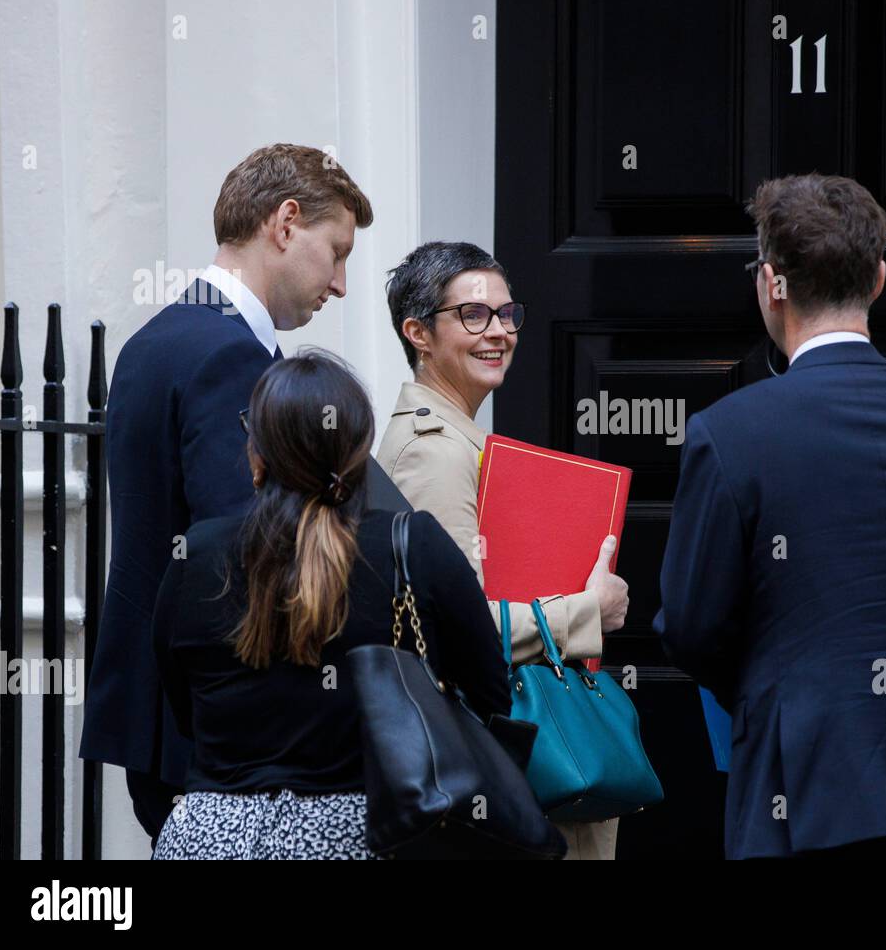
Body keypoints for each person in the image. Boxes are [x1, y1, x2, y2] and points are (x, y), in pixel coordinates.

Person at [653, 173, 886, 859]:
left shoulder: (729, 431)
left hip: (804, 785)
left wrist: (780, 680)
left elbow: (691, 625)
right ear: (879, 276)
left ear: (771, 283)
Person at [79, 143, 374, 844]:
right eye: (335, 253)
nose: (338, 285)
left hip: (157, 711)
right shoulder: (230, 353)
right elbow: (251, 551)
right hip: (219, 732)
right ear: (285, 222)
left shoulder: (155, 339)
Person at [152, 351, 510, 859]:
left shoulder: (196, 554)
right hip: (365, 836)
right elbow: (492, 693)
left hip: (209, 838)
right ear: (358, 448)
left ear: (257, 455)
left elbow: (182, 710)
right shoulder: (413, 545)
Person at [376, 241, 627, 860]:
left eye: (507, 314)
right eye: (473, 316)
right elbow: (457, 629)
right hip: (494, 761)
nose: (498, 332)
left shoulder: (460, 438)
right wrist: (587, 612)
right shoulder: (432, 451)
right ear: (419, 334)